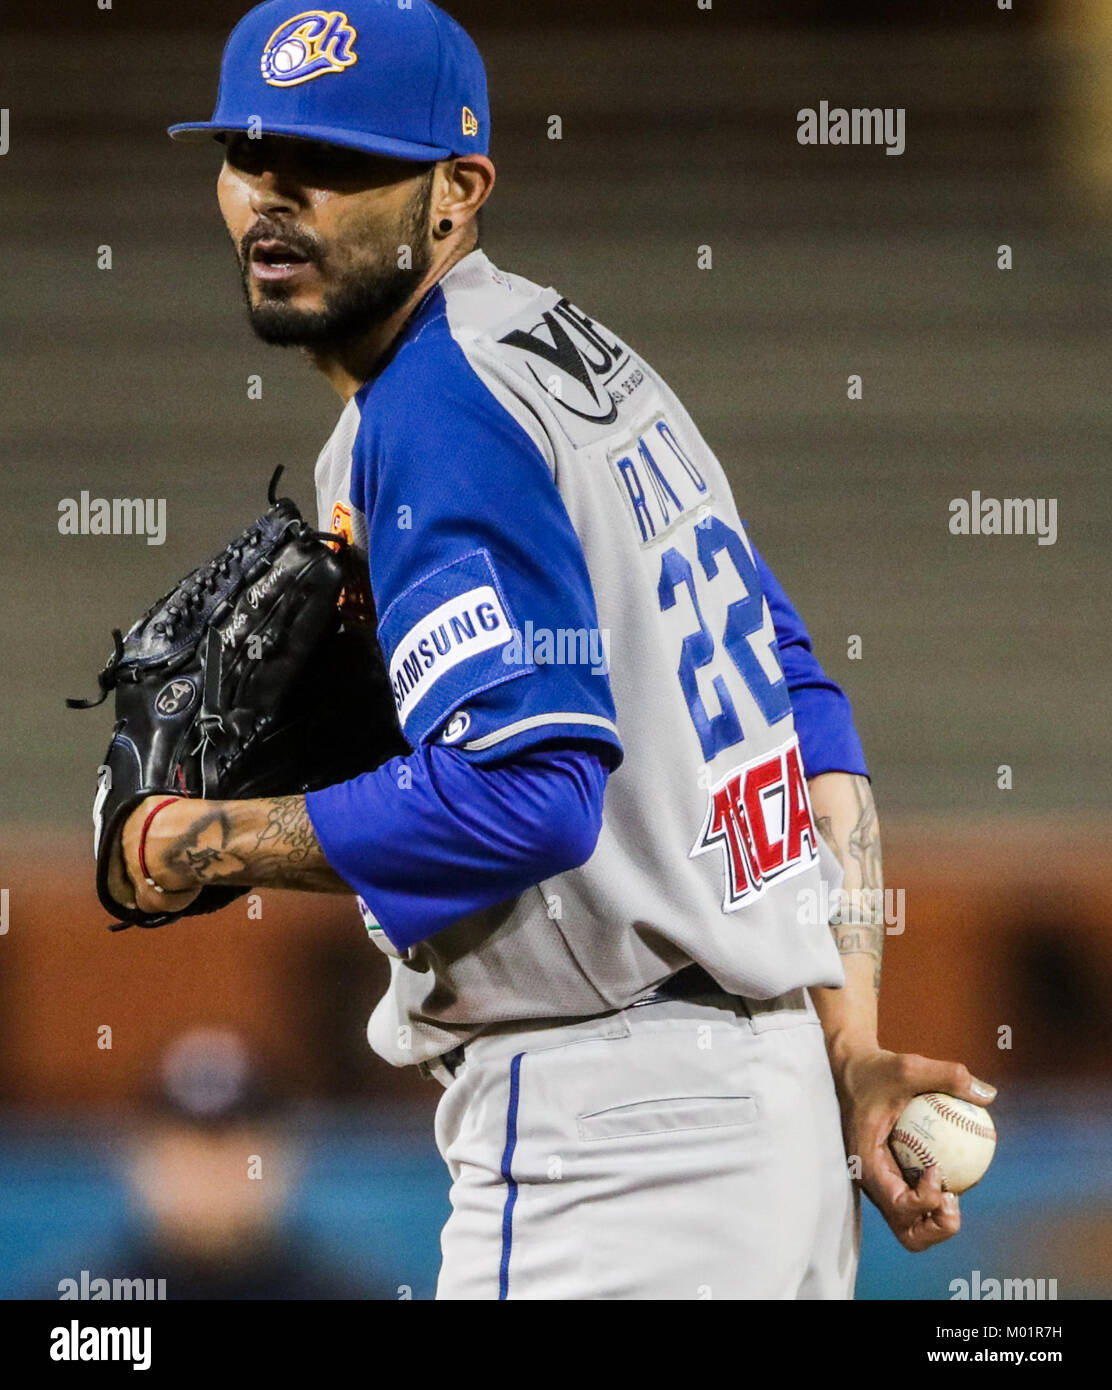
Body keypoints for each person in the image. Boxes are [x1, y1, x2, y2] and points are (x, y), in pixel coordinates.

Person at [109, 0, 995, 1298]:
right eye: (250, 153)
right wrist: (846, 1036)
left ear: (458, 191)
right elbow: (807, 705)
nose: (274, 196)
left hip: (619, 1142)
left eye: (340, 161)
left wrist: (185, 847)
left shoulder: (438, 411)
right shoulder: (581, 362)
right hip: (773, 1134)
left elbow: (531, 800)